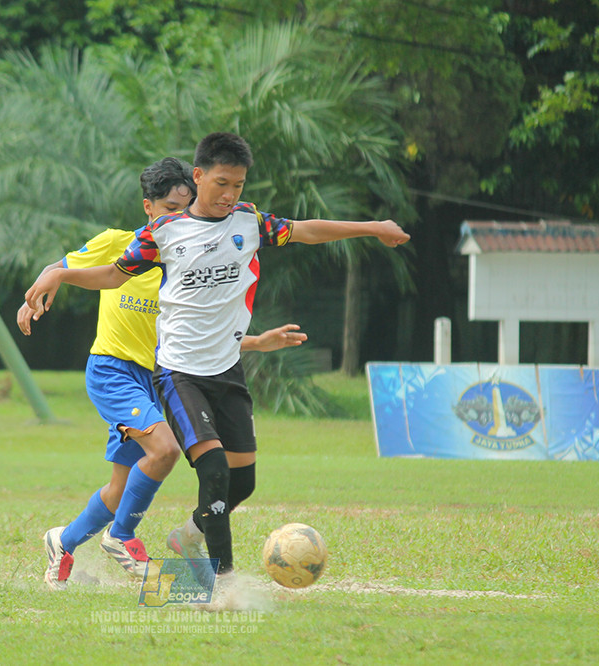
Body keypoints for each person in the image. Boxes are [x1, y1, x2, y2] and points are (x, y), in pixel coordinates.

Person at [25, 132, 410, 578]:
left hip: (212, 371)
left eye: (238, 186)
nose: (229, 195)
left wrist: (373, 228)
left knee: (208, 482)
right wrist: (59, 276)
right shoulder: (156, 238)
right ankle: (199, 575)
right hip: (153, 374)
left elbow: (303, 233)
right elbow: (105, 274)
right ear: (197, 177)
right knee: (198, 465)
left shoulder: (247, 224)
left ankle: (87, 540)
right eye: (221, 183)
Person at [19, 157, 307, 590]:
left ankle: (64, 540)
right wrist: (36, 295)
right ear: (148, 207)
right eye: (171, 208)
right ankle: (122, 537)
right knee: (167, 449)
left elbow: (197, 336)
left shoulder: (187, 257)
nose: (182, 216)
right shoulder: (119, 245)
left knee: (121, 487)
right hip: (113, 371)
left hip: (159, 377)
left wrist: (257, 341)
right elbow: (57, 268)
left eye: (186, 206)